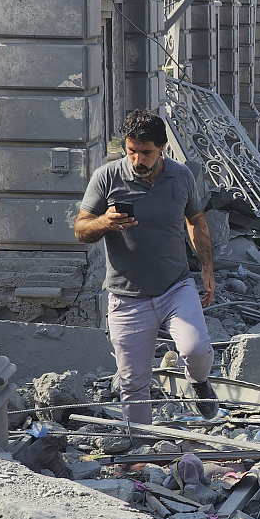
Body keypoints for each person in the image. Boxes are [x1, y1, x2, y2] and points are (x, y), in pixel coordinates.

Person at [74, 110, 218, 424]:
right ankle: (141, 449)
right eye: (132, 151)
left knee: (197, 350)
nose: (138, 159)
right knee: (134, 382)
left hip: (175, 287)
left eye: (147, 152)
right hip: (127, 298)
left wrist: (207, 268)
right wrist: (105, 222)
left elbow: (196, 222)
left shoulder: (181, 176)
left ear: (162, 148)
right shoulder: (107, 177)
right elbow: (81, 230)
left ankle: (198, 384)